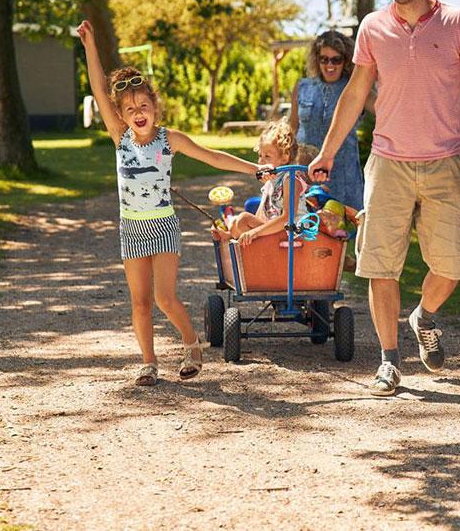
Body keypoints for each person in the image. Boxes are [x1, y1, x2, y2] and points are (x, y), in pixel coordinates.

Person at [308, 0, 460, 396]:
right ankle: (389, 361)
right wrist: (328, 151)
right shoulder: (373, 27)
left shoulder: (457, 22)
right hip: (388, 162)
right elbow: (356, 94)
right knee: (379, 265)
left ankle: (424, 316)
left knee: (453, 265)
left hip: (446, 161)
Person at [78, 19, 267, 387]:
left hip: (163, 225)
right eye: (129, 108)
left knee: (165, 297)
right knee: (140, 302)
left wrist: (255, 170)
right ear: (120, 115)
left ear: (155, 107)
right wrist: (90, 45)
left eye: (143, 105)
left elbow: (213, 157)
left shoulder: (169, 139)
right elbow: (99, 90)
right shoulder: (120, 138)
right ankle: (148, 362)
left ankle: (190, 343)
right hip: (131, 227)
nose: (137, 112)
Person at [289, 30, 375, 212]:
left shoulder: (355, 88)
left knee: (341, 232)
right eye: (324, 59)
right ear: (316, 59)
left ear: (345, 61)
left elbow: (385, 111)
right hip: (305, 172)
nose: (330, 65)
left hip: (343, 175)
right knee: (303, 228)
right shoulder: (302, 86)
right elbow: (293, 127)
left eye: (336, 59)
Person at [225, 118, 309, 244]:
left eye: (267, 156)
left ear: (285, 156)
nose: (261, 161)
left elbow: (287, 218)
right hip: (277, 233)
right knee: (238, 223)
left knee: (243, 219)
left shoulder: (290, 180)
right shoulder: (271, 180)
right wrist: (231, 233)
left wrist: (256, 232)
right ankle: (229, 236)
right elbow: (261, 215)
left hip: (292, 235)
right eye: (260, 155)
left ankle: (257, 255)